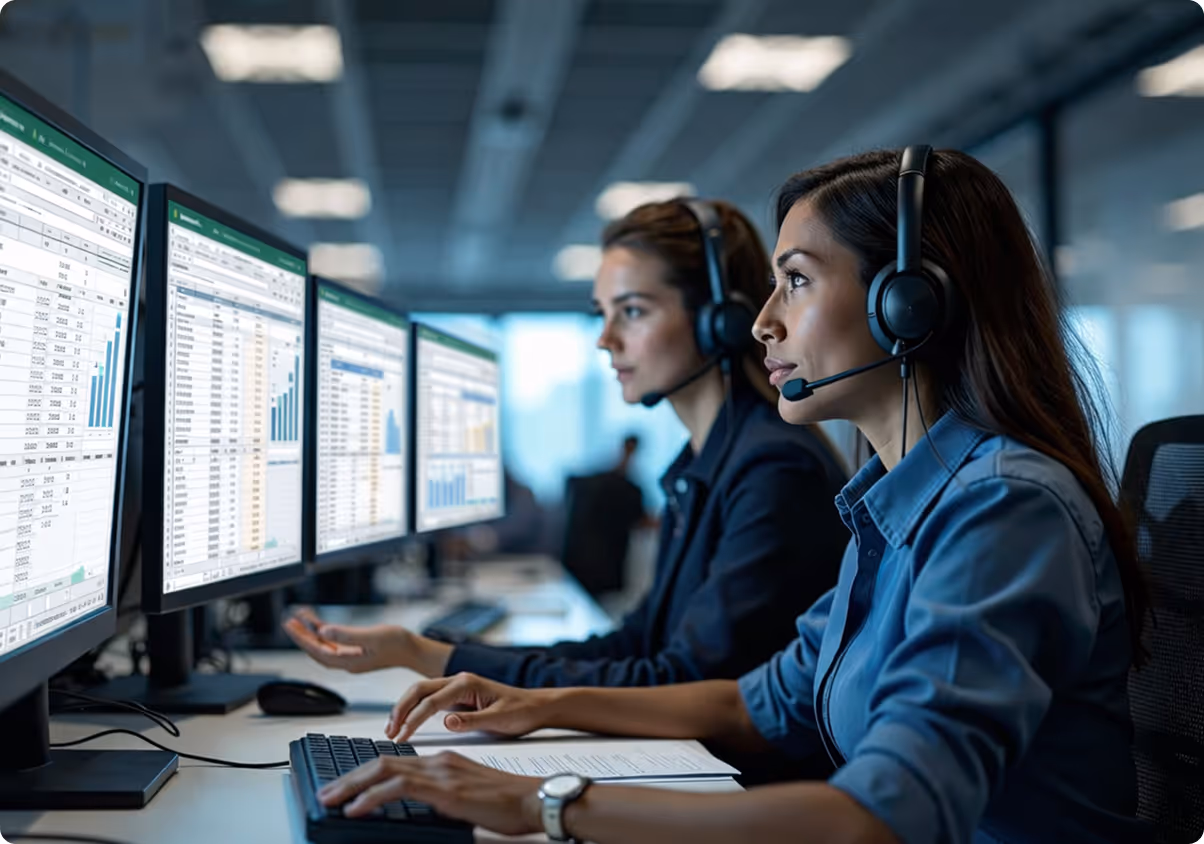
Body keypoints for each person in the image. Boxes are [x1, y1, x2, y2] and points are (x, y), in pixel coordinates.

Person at [311, 148, 1151, 844]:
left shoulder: (1004, 511)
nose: (762, 324)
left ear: (910, 304)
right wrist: (537, 707)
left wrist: (544, 803)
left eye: (797, 281)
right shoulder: (890, 507)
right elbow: (754, 701)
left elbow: (882, 815)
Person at [284, 199, 849, 692]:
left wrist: (442, 660)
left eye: (632, 311)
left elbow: (685, 680)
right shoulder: (705, 464)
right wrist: (434, 655)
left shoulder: (773, 469)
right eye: (602, 315)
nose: (605, 340)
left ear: (717, 320)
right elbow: (639, 642)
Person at [561, 434, 649, 598]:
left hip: (583, 561)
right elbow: (641, 521)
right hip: (598, 563)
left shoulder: (592, 482)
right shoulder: (625, 489)